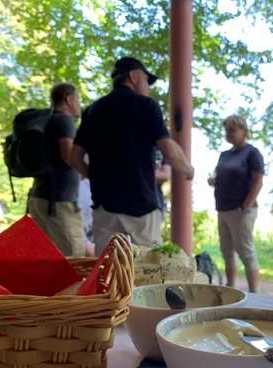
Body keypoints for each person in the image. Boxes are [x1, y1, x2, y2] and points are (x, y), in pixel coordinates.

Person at [71, 57, 194, 255]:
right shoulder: (147, 106)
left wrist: (95, 177)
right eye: (147, 81)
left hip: (104, 208)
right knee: (145, 272)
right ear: (134, 77)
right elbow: (168, 148)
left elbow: (75, 157)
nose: (148, 87)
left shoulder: (93, 110)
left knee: (108, 271)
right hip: (141, 208)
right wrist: (188, 170)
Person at [28, 82, 86, 257]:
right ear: (68, 100)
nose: (79, 105)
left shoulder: (48, 121)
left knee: (50, 257)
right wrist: (89, 172)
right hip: (59, 202)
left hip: (40, 196)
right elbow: (69, 156)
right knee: (75, 256)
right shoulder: (64, 121)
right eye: (78, 99)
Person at [208, 115, 264, 292]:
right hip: (223, 209)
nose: (228, 133)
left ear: (243, 131)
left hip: (241, 211)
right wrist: (214, 181)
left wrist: (246, 206)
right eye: (226, 130)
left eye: (232, 130)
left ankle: (254, 293)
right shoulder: (224, 155)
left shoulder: (252, 153)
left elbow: (257, 181)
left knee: (246, 252)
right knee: (227, 251)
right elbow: (222, 177)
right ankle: (230, 289)